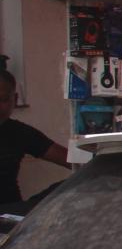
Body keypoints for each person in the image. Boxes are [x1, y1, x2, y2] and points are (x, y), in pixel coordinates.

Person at [0, 70, 70, 209]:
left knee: (66, 188)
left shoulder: (19, 132)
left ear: (15, 99)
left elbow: (72, 160)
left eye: (3, 99)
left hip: (11, 213)